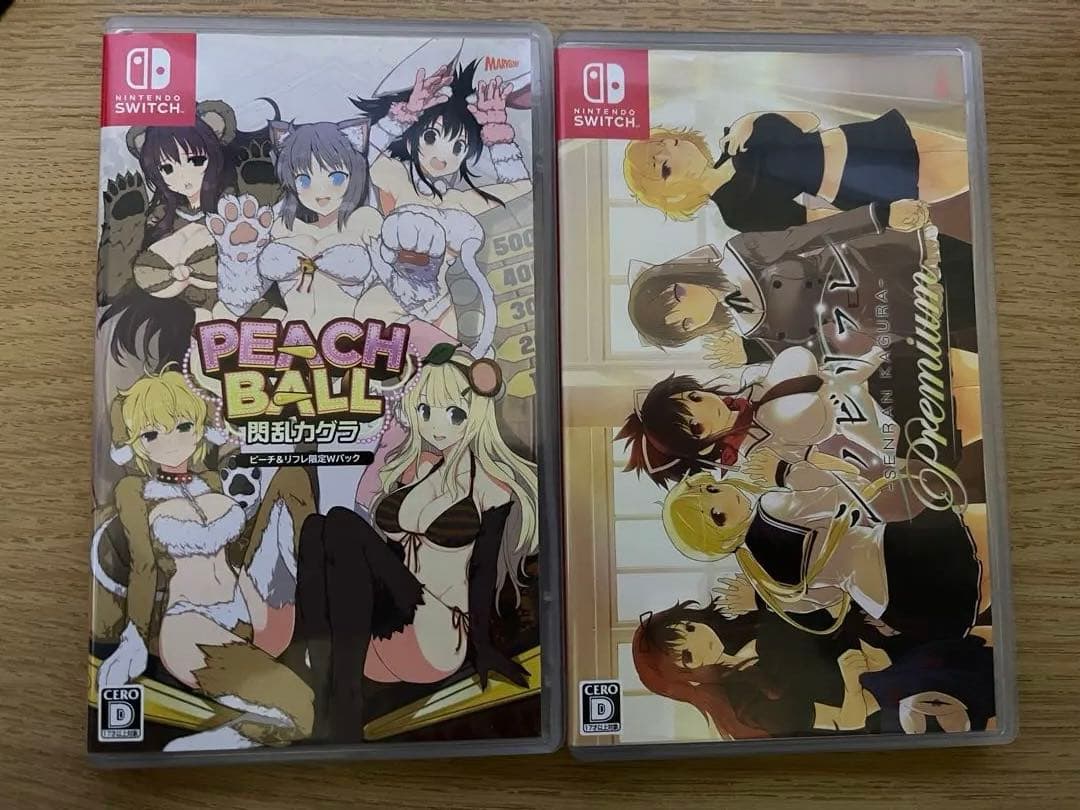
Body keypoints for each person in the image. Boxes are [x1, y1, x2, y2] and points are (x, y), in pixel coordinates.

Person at [296, 345, 538, 741]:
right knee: (315, 528)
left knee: (340, 523)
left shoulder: (490, 488)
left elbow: (482, 571)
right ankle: (322, 687)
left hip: (435, 635)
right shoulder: (413, 470)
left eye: (453, 414)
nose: (436, 426)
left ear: (477, 413)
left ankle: (345, 704)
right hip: (379, 633)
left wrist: (485, 647)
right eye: (425, 411)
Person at [96, 369, 314, 751]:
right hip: (191, 622)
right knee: (303, 707)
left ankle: (239, 729)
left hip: (245, 607)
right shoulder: (134, 490)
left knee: (293, 477)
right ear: (134, 444)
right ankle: (218, 741)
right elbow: (144, 564)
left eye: (183, 426)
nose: (172, 442)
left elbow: (231, 553)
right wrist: (134, 637)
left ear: (199, 428)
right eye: (151, 434)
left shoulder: (210, 480)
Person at [623, 110, 968, 232]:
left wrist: (751, 119)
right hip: (862, 181)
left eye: (666, 143)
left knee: (972, 146)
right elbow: (815, 219)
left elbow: (809, 121)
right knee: (973, 173)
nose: (673, 151)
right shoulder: (735, 210)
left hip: (862, 136)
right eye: (662, 166)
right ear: (672, 193)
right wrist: (882, 216)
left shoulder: (734, 139)